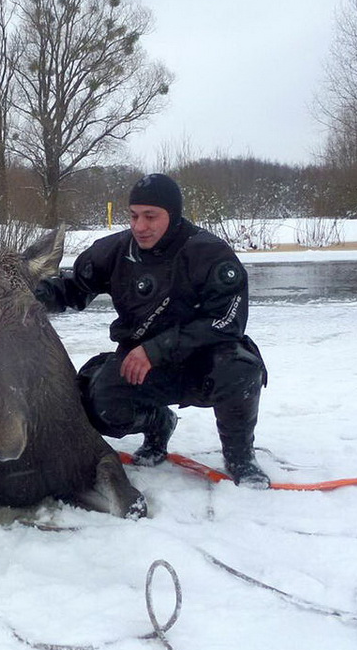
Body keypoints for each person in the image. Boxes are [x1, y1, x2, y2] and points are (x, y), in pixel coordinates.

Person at [36, 173, 271, 487]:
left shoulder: (210, 254)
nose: (139, 226)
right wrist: (30, 295)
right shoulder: (114, 251)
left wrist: (158, 348)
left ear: (172, 216)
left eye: (151, 217)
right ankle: (159, 423)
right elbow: (73, 289)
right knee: (97, 403)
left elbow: (227, 321)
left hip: (205, 364)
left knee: (242, 369)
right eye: (134, 216)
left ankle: (241, 458)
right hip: (141, 365)